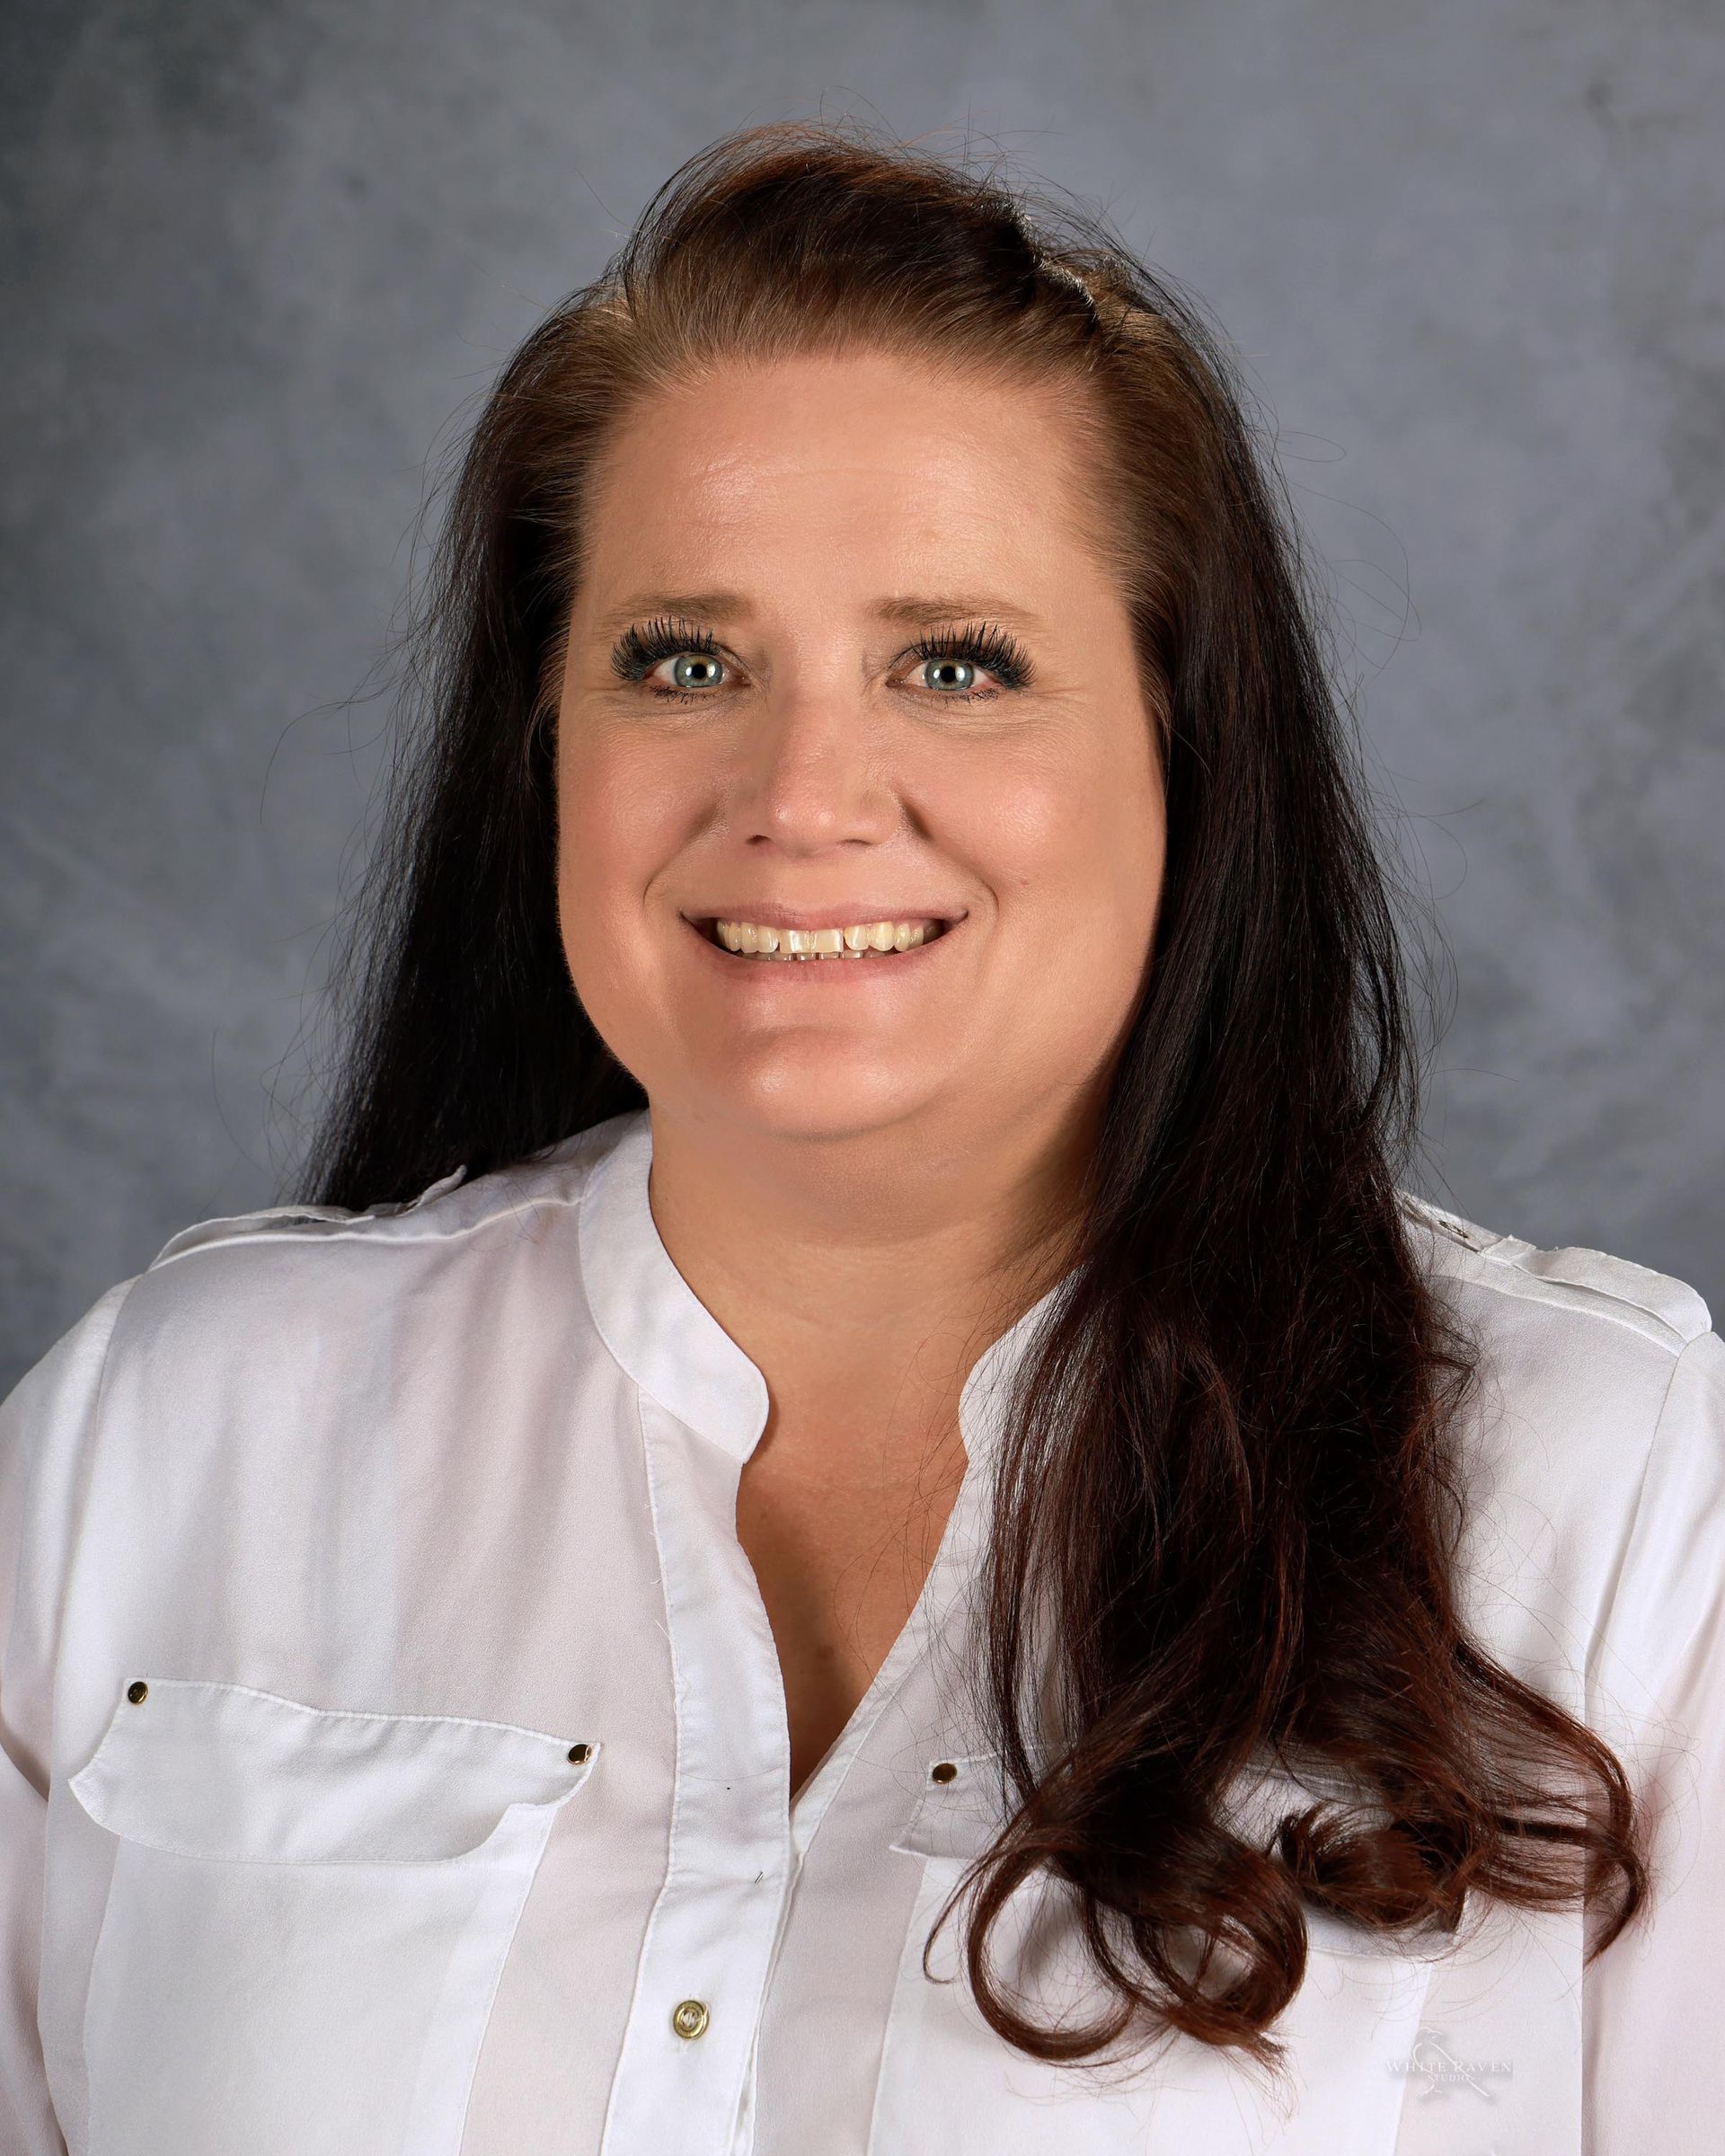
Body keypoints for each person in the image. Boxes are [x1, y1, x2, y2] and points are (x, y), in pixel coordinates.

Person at [2, 118, 1719, 2156]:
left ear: (1184, 753)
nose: (804, 794)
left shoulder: (1620, 1504)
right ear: (545, 744)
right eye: (686, 661)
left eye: (957, 664)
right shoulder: (157, 1444)